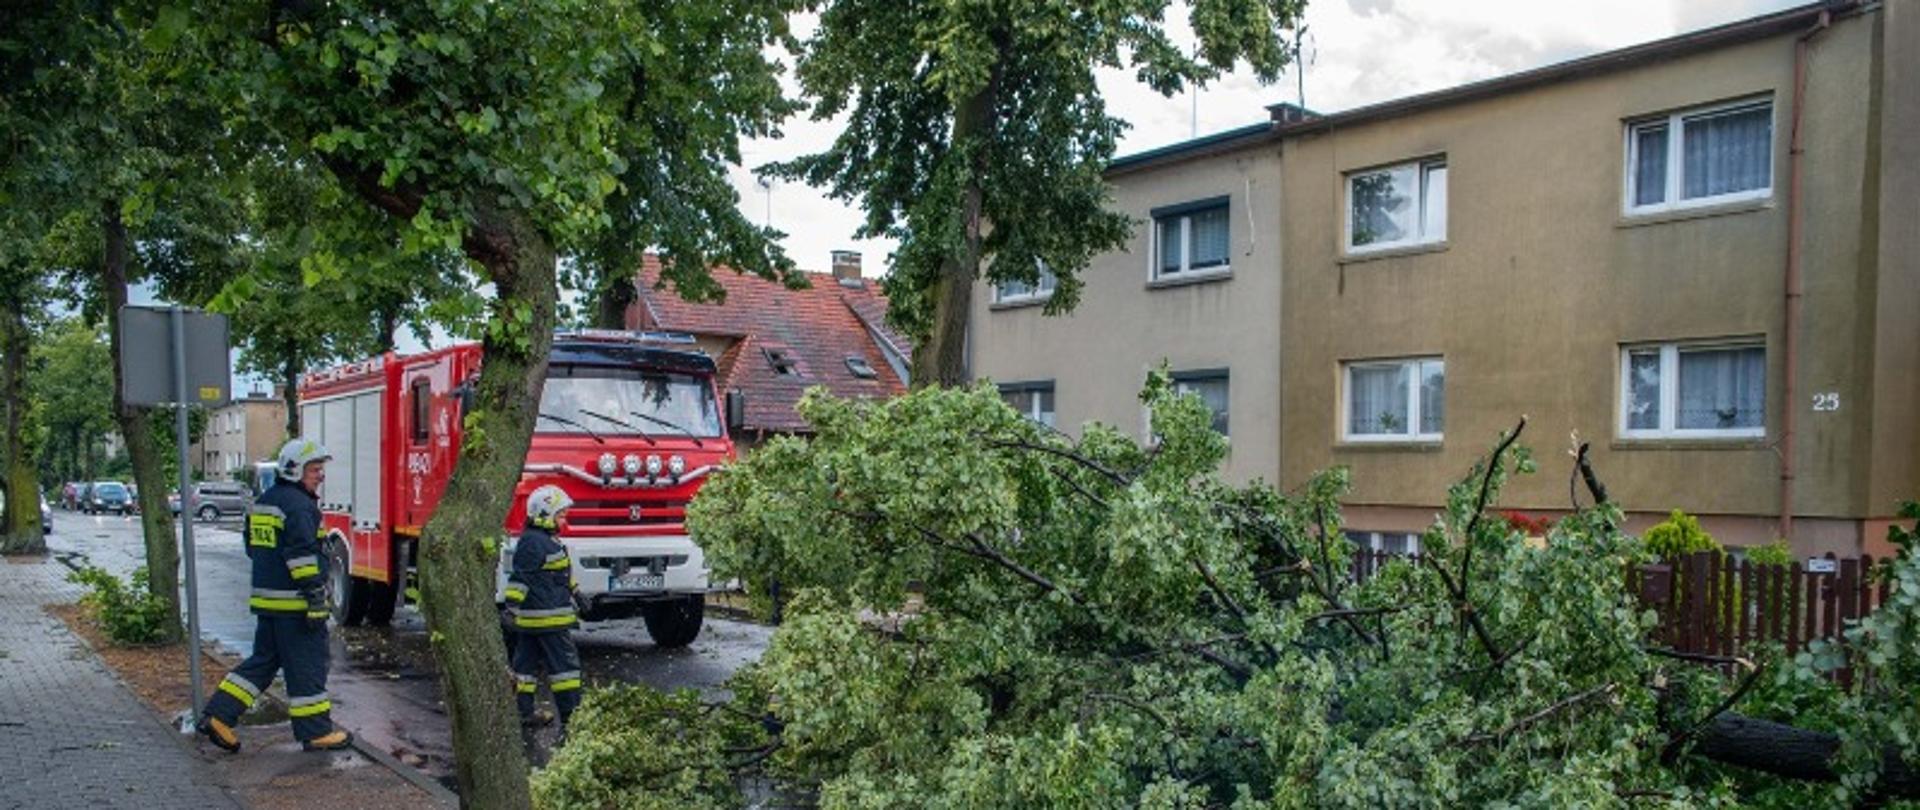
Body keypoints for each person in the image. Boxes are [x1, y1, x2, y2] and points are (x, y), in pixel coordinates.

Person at [196, 439, 352, 753]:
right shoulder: (299, 506)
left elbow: (253, 550)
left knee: (263, 663)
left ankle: (219, 716)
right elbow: (302, 556)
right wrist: (314, 597)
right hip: (295, 604)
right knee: (307, 665)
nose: (320, 475)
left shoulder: (265, 501)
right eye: (314, 469)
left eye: (320, 469)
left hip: (268, 603)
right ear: (294, 470)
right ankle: (316, 732)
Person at [504, 485, 585, 732]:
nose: (564, 519)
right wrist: (511, 606)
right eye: (560, 515)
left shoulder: (545, 541)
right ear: (544, 514)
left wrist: (577, 593)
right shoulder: (534, 543)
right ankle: (573, 719)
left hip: (534, 621)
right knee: (566, 672)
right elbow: (521, 578)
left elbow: (558, 574)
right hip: (549, 620)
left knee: (524, 669)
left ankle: (524, 713)